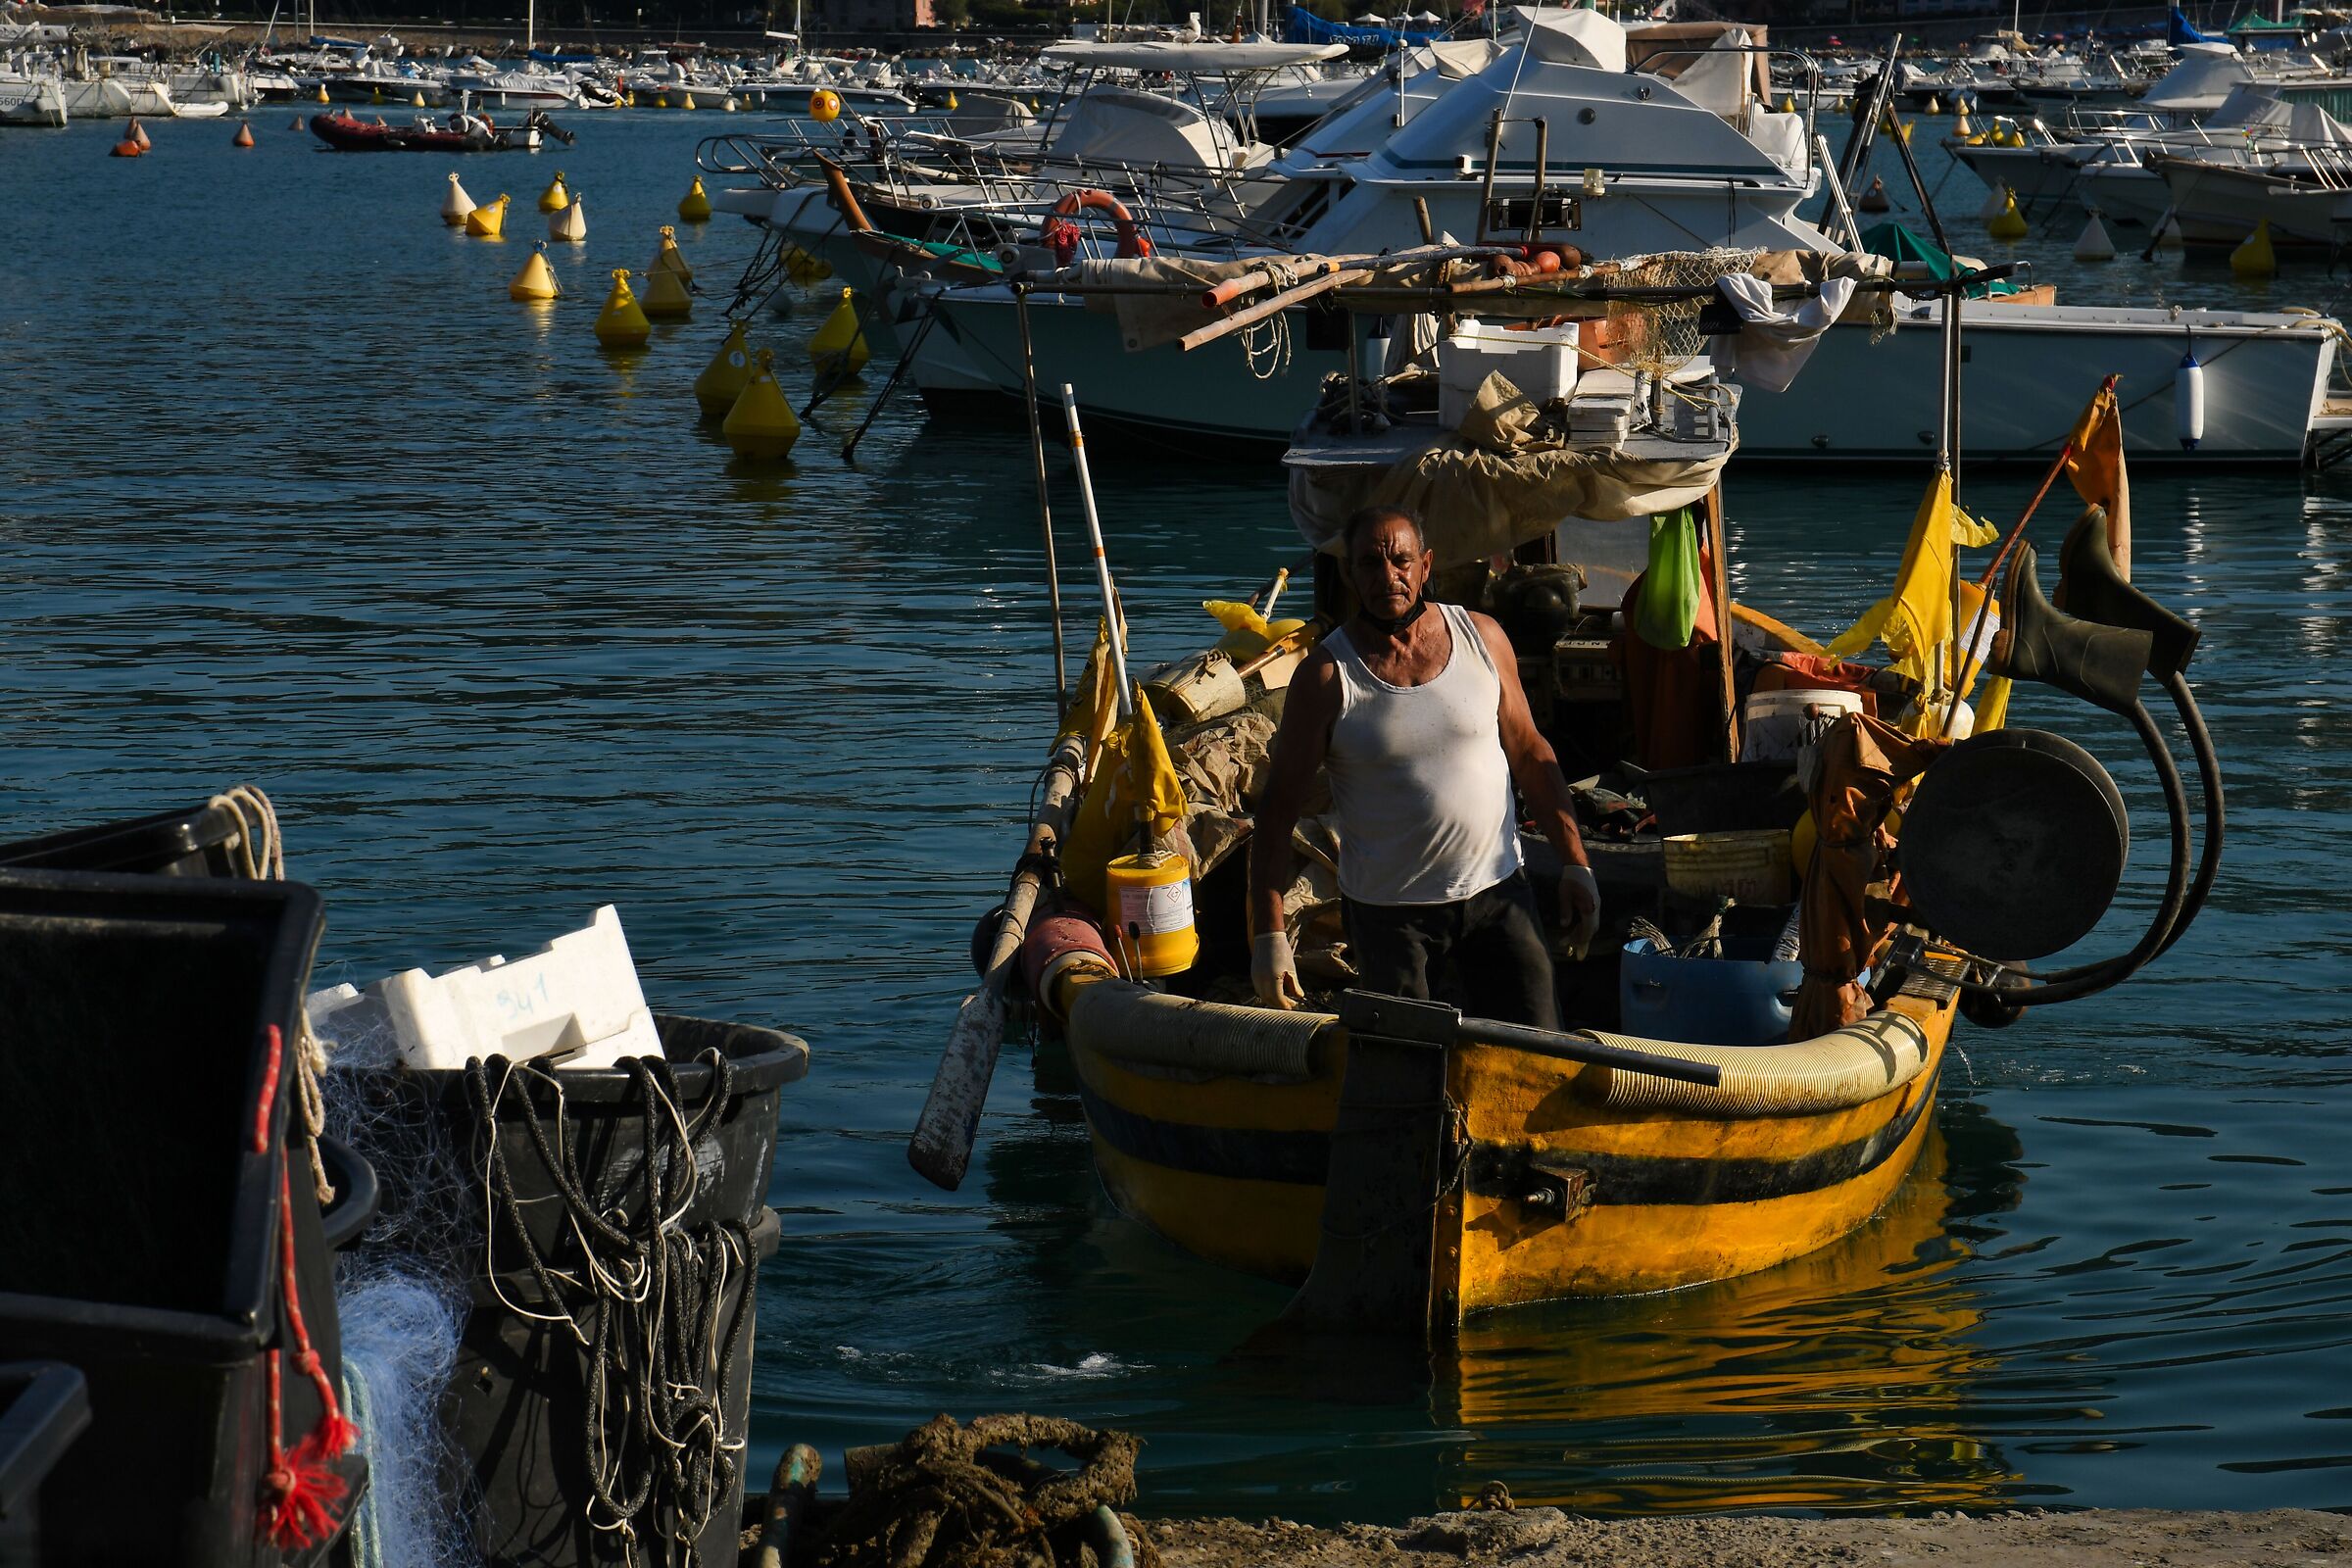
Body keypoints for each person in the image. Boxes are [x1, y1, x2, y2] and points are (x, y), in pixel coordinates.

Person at [1249, 505, 1601, 1028]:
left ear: (1426, 566)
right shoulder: (1325, 675)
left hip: (1498, 895)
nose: (1387, 576)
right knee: (1406, 1076)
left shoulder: (1482, 637)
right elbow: (1277, 813)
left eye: (1401, 561)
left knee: (1538, 1050)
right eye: (1369, 563)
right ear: (1349, 573)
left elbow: (1530, 752)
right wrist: (1269, 937)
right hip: (1390, 919)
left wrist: (1576, 863)